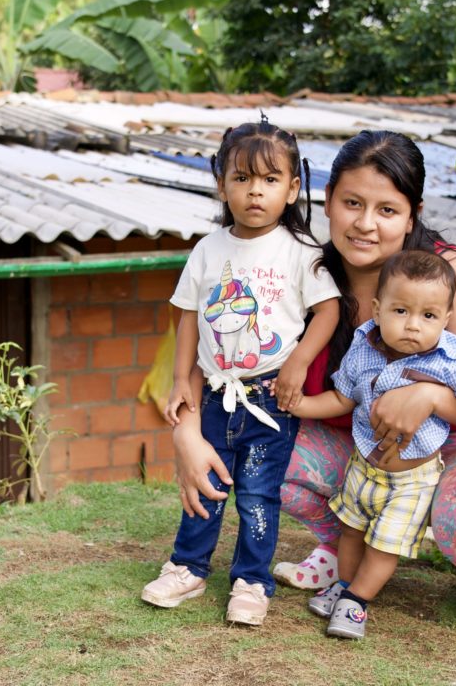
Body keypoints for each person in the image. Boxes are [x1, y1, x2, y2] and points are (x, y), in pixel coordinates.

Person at [172, 130, 456, 625]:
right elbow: (215, 338)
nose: (366, 224)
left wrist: (428, 396)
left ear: (412, 213)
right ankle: (343, 546)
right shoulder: (300, 267)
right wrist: (186, 429)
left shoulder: (447, 275)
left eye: (387, 210)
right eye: (352, 203)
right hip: (370, 447)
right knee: (268, 451)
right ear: (326, 200)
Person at [140, 117, 340, 627]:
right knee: (204, 484)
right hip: (214, 397)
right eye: (242, 178)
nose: (255, 191)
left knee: (256, 492)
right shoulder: (208, 250)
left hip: (270, 400)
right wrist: (182, 379)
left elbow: (329, 312)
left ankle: (252, 581)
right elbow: (188, 317)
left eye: (270, 180)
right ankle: (187, 567)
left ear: (293, 188)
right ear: (222, 184)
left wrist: (297, 361)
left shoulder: (302, 252)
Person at [286, 250, 456, 639]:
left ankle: (357, 604)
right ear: (377, 308)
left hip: (411, 479)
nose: (412, 326)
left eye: (428, 316)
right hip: (363, 467)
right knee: (351, 530)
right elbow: (343, 398)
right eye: (400, 311)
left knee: (385, 545)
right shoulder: (362, 345)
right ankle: (345, 586)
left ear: (447, 319)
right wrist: (302, 404)